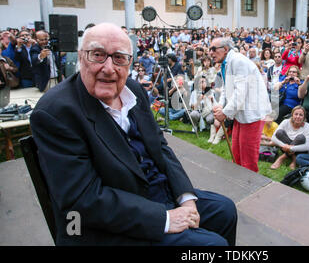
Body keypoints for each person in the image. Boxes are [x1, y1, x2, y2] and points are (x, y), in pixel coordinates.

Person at [29, 23, 237, 246]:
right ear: (81, 57)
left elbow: (160, 146)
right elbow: (82, 199)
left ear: (130, 63)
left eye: (119, 58)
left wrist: (185, 198)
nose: (109, 68)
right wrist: (164, 218)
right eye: (97, 55)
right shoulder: (56, 111)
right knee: (211, 246)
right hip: (103, 224)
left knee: (224, 210)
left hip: (154, 193)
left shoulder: (133, 89)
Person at [211, 37, 272, 173]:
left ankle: (250, 189)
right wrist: (221, 106)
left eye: (214, 49)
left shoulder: (238, 61)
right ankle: (238, 184)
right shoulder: (226, 63)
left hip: (252, 115)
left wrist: (225, 113)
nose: (211, 53)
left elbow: (240, 92)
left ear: (225, 49)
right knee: (236, 154)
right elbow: (227, 89)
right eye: (210, 49)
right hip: (240, 114)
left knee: (248, 160)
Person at [270, 106, 309, 170]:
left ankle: (282, 157)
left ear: (304, 117)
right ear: (292, 115)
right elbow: (273, 138)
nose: (298, 116)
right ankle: (293, 158)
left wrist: (290, 148)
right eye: (296, 114)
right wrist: (284, 146)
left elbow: (307, 146)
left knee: (300, 137)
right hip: (285, 147)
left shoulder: (308, 126)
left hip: (300, 150)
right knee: (279, 132)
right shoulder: (285, 122)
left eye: (301, 115)